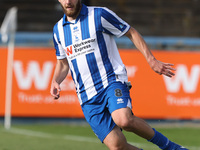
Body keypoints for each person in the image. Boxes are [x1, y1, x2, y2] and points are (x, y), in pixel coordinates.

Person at [50, 0, 188, 149]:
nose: (68, 1)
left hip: (110, 80)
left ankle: (172, 148)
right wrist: (55, 80)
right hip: (87, 96)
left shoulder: (99, 14)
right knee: (117, 145)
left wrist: (151, 60)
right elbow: (63, 63)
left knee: (124, 120)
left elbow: (131, 32)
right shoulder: (58, 30)